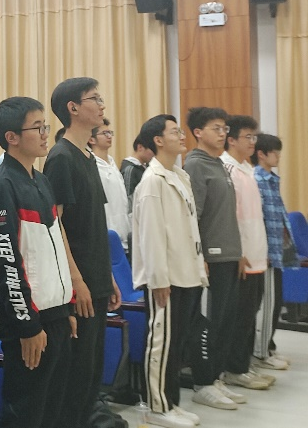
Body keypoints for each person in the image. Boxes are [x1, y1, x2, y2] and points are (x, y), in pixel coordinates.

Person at [0, 96, 75, 428]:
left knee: (53, 408)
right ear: (11, 137)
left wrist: (66, 307)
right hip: (29, 321)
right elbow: (7, 261)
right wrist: (27, 325)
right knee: (27, 411)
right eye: (37, 128)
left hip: (55, 313)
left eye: (45, 126)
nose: (44, 134)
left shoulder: (40, 180)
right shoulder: (1, 186)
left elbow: (54, 249)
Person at [42, 77, 120, 428]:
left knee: (92, 373)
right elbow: (56, 226)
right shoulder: (61, 158)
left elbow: (92, 225)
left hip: (97, 278)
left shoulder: (88, 156)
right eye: (95, 99)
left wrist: (108, 276)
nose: (102, 105)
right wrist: (77, 281)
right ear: (73, 108)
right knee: (76, 375)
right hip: (79, 286)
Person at [132, 115, 208, 428]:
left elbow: (188, 226)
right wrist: (158, 280)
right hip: (165, 279)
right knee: (161, 344)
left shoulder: (178, 175)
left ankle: (171, 402)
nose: (181, 135)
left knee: (175, 344)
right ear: (158, 140)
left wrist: (199, 261)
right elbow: (151, 236)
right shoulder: (152, 181)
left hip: (186, 272)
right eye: (174, 131)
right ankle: (156, 407)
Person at [183, 107, 250, 410]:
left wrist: (238, 253)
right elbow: (193, 215)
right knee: (208, 322)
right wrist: (200, 256)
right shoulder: (195, 165)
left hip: (229, 255)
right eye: (216, 128)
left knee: (225, 321)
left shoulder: (219, 164)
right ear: (198, 132)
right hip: (211, 256)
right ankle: (203, 382)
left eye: (225, 128)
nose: (223, 133)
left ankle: (216, 377)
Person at [219, 116, 272, 391]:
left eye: (254, 137)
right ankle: (234, 368)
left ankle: (244, 364)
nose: (253, 142)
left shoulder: (247, 168)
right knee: (239, 315)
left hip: (257, 252)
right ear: (232, 139)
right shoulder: (227, 168)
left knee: (251, 312)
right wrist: (238, 252)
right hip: (241, 255)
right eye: (247, 137)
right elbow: (230, 217)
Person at [251, 133, 293, 370]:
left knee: (275, 302)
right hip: (265, 252)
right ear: (261, 154)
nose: (278, 157)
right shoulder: (257, 180)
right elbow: (259, 218)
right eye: (275, 152)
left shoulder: (271, 179)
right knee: (267, 304)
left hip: (276, 250)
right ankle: (261, 353)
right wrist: (264, 249)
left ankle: (269, 346)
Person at [89, 118, 131, 252]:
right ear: (91, 139)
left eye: (110, 132)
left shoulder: (112, 163)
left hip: (124, 233)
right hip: (107, 236)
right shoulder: (91, 165)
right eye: (104, 133)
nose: (109, 136)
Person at [121, 135, 154, 204]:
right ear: (140, 147)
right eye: (152, 150)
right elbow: (128, 199)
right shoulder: (130, 169)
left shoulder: (146, 167)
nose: (154, 154)